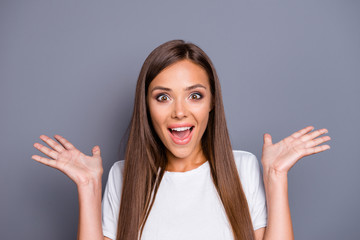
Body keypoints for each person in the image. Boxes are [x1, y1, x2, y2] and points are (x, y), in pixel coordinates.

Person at [31, 40, 331, 240]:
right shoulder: (123, 175)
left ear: (212, 102)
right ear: (146, 106)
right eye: (163, 97)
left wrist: (276, 178)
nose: (179, 111)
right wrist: (88, 188)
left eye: (195, 95)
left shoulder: (243, 167)